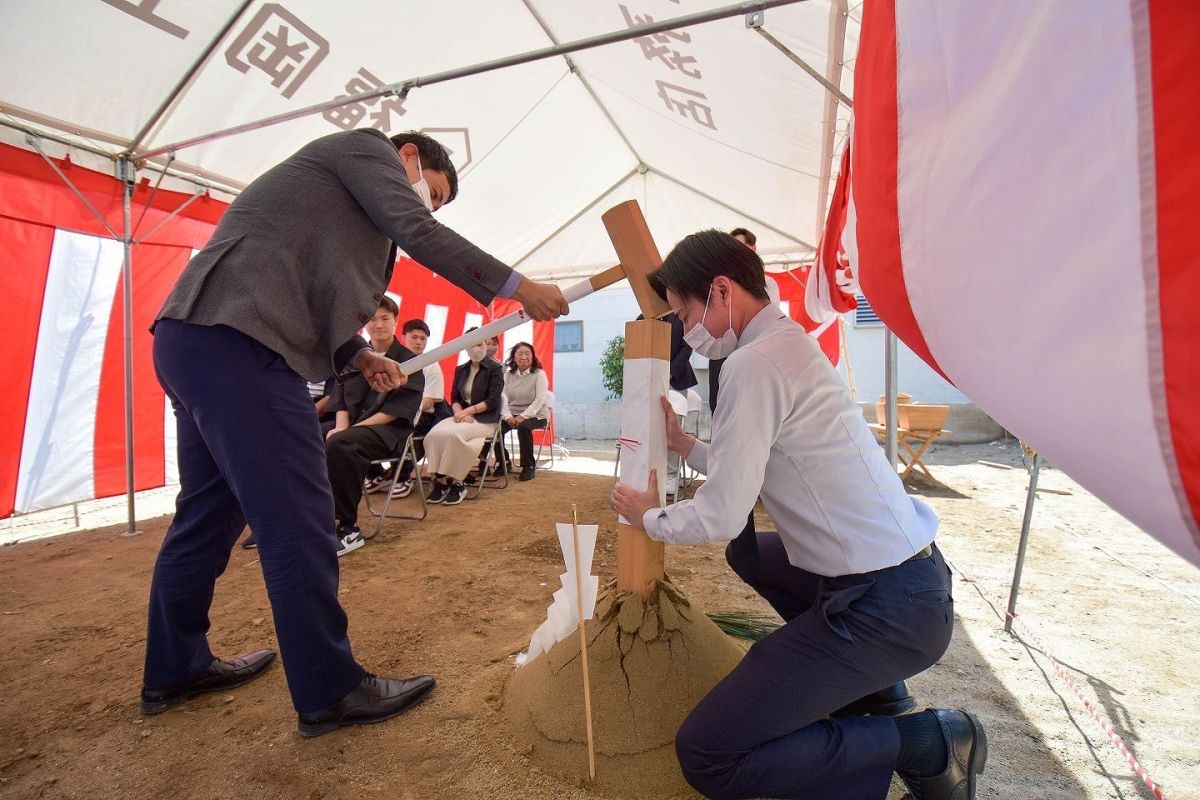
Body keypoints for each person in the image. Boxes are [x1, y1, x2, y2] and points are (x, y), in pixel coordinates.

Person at [142, 127, 567, 738]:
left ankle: (174, 665)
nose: (430, 206)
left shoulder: (334, 200)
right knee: (300, 517)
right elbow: (421, 233)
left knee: (208, 512)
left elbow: (310, 283)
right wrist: (516, 289)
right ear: (410, 158)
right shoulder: (367, 150)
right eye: (435, 192)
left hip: (196, 339)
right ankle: (328, 687)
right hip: (245, 345)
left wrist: (357, 355)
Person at [612, 230, 986, 800]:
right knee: (752, 554)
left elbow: (719, 514)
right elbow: (762, 455)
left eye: (683, 311)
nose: (684, 330)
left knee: (709, 754)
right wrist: (687, 447)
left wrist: (649, 517)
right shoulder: (785, 344)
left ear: (719, 291)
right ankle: (879, 693)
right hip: (910, 584)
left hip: (882, 608)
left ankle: (928, 741)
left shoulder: (754, 363)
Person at [324, 299, 425, 556]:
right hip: (353, 426)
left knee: (341, 443)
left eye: (384, 318)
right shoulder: (356, 357)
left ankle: (347, 528)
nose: (378, 325)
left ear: (395, 321)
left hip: (389, 430)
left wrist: (348, 431)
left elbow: (394, 413)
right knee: (297, 435)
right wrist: (342, 425)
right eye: (371, 319)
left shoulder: (409, 361)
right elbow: (340, 399)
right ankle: (296, 518)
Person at [424, 331, 504, 504]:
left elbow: (493, 401)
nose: (479, 348)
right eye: (474, 344)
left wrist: (468, 412)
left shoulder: (495, 369)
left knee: (454, 436)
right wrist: (459, 413)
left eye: (482, 344)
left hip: (486, 418)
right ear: (466, 347)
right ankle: (440, 480)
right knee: (433, 434)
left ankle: (457, 483)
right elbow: (454, 398)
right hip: (461, 416)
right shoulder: (460, 369)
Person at [380, 318, 452, 499]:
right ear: (404, 337)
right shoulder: (391, 362)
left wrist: (400, 412)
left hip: (422, 416)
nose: (419, 342)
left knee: (403, 433)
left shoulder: (431, 365)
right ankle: (377, 473)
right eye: (414, 338)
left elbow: (428, 402)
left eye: (423, 339)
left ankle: (403, 477)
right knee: (365, 430)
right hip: (393, 413)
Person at [500, 341, 550, 481]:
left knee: (523, 426)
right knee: (495, 428)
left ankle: (528, 466)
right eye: (520, 353)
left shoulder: (539, 374)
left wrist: (523, 416)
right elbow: (502, 397)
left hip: (537, 415)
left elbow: (540, 399)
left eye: (528, 354)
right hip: (513, 414)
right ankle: (504, 462)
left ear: (533, 357)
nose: (524, 357)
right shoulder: (508, 375)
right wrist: (508, 416)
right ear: (513, 357)